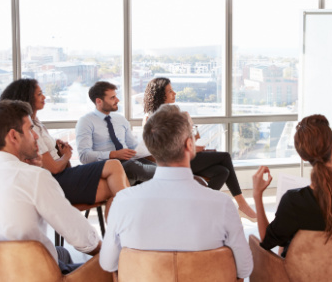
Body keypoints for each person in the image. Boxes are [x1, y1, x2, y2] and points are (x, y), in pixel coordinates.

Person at [100, 104, 253, 279]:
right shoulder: (223, 204)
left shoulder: (123, 201)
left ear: (151, 147)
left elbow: (108, 263)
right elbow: (244, 269)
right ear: (189, 144)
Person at [0, 100, 102, 274]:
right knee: (114, 264)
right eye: (30, 129)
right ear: (13, 136)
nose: (35, 136)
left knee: (61, 252)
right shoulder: (34, 178)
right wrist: (109, 253)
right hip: (34, 274)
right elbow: (83, 239)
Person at [0, 79, 129, 217]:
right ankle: (126, 231)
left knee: (116, 188)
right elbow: (53, 168)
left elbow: (50, 157)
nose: (44, 97)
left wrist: (56, 146)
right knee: (115, 168)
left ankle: (119, 233)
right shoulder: (31, 131)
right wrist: (66, 155)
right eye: (39, 94)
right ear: (27, 97)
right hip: (55, 181)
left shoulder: (37, 123)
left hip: (63, 176)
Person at [252, 114, 332, 257]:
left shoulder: (293, 202)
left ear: (303, 157)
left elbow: (267, 241)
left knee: (283, 243)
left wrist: (257, 195)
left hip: (304, 277)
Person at [143, 77, 257, 220]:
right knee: (225, 156)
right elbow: (157, 148)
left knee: (222, 171)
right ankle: (242, 205)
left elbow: (190, 138)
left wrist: (190, 126)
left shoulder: (173, 114)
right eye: (170, 91)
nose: (174, 93)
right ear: (160, 95)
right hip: (173, 162)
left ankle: (199, 209)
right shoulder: (150, 118)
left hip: (185, 156)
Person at [77, 81, 156, 185]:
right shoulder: (86, 121)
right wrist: (113, 154)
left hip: (128, 161)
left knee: (161, 165)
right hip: (106, 165)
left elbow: (133, 146)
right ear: (99, 101)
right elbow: (84, 156)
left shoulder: (120, 119)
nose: (117, 100)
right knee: (133, 167)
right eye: (112, 98)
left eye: (116, 96)